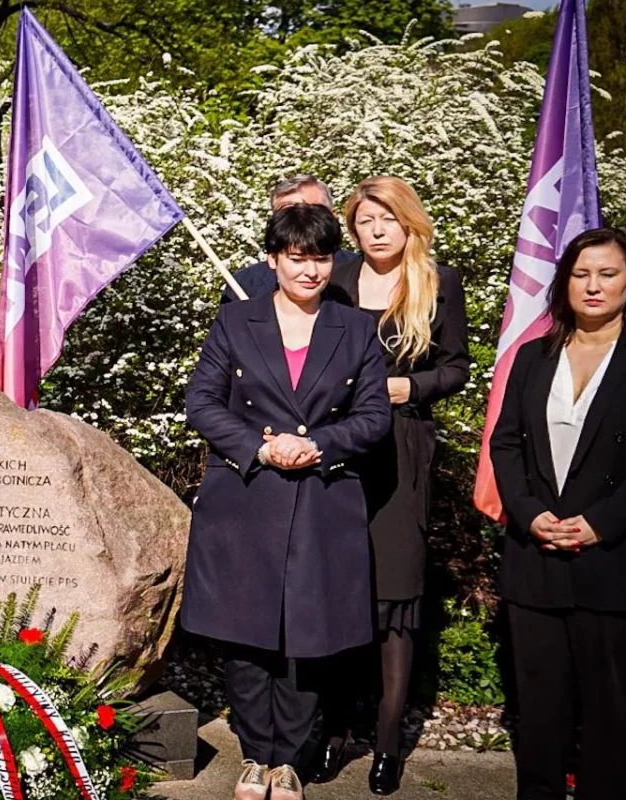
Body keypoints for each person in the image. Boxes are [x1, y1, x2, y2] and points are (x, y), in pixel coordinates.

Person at [182, 203, 393, 800]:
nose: (309, 271)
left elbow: (375, 415)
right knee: (245, 632)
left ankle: (289, 762)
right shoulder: (234, 322)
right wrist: (260, 449)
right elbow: (202, 403)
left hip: (324, 500)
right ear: (273, 259)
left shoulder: (355, 329)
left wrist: (318, 443)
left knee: (310, 636)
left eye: (321, 258)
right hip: (246, 498)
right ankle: (254, 755)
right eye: (297, 258)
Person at [489, 227, 626, 800]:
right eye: (581, 274)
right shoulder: (532, 356)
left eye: (607, 274)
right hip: (537, 558)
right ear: (565, 283)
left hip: (615, 562)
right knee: (540, 709)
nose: (593, 285)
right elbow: (505, 444)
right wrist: (528, 515)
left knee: (610, 713)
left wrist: (600, 523)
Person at [309, 177, 469, 794]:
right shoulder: (339, 280)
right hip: (341, 446)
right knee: (341, 590)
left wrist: (413, 387)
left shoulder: (438, 283)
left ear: (408, 222)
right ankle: (337, 733)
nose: (374, 230)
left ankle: (387, 741)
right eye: (363, 220)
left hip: (402, 447)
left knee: (395, 597)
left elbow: (457, 364)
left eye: (385, 218)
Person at [221, 175, 361, 305]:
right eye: (288, 214)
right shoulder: (246, 283)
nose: (300, 220)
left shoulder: (361, 272)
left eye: (312, 211)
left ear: (333, 217)